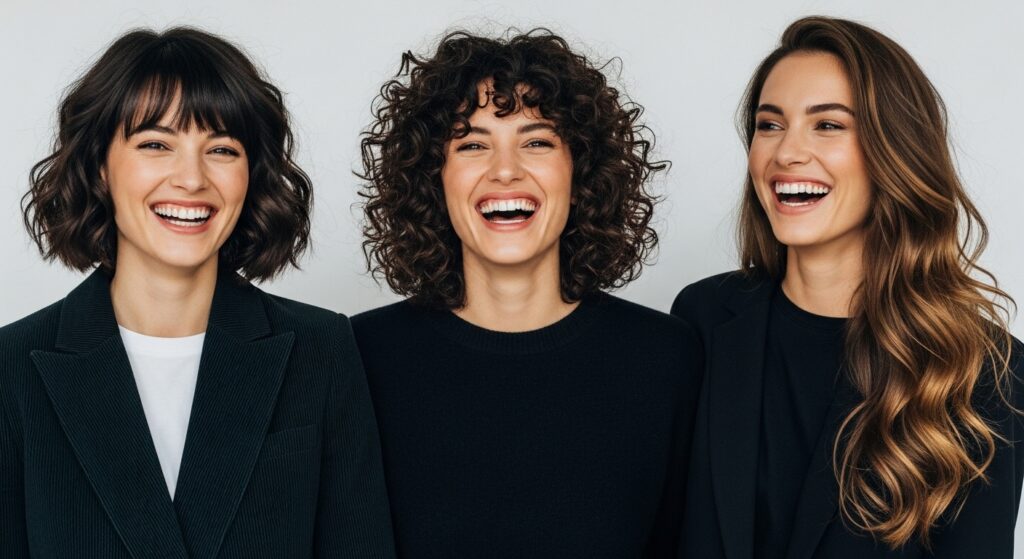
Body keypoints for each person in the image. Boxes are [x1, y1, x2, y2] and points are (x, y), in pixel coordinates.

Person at [0, 27, 395, 558]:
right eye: (156, 144)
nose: (191, 178)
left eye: (222, 149)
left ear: (251, 174)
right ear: (99, 164)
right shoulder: (13, 366)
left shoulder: (319, 348)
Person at [672, 16, 1024, 558]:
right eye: (769, 125)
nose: (786, 153)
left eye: (828, 125)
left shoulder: (986, 372)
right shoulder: (703, 318)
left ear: (895, 151)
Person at [353, 29, 702, 557]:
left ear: (580, 170)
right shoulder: (355, 358)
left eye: (537, 141)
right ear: (433, 177)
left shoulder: (667, 358)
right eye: (472, 144)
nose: (506, 170)